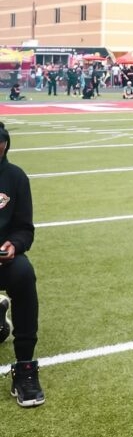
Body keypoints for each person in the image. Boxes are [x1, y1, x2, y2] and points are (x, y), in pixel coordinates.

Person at [0, 122, 45, 406]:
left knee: (24, 274)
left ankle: (25, 367)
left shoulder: (15, 177)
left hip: (4, 260)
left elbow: (25, 228)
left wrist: (13, 245)